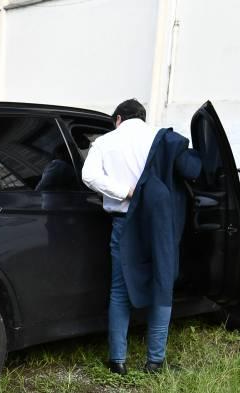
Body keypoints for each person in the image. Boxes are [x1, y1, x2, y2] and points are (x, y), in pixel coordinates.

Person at [82, 99, 200, 375]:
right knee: (162, 286)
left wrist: (125, 191)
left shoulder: (105, 142)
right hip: (160, 223)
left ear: (119, 118)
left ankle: (117, 361)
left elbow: (88, 175)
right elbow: (191, 171)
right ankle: (155, 362)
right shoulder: (161, 139)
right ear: (143, 118)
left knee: (120, 290)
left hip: (124, 223)